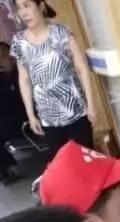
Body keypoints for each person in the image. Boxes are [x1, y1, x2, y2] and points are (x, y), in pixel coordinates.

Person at [10, 0, 95, 158]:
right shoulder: (19, 42)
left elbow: (81, 68)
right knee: (62, 165)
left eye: (27, 5)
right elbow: (24, 80)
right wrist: (31, 115)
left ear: (41, 6)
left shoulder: (61, 32)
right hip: (48, 118)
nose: (23, 13)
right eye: (19, 8)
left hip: (77, 112)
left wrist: (91, 105)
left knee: (87, 161)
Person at [0, 40, 26, 184]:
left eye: (5, 55)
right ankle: (7, 168)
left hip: (26, 122)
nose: (5, 59)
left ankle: (10, 168)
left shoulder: (23, 73)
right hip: (8, 123)